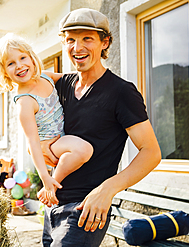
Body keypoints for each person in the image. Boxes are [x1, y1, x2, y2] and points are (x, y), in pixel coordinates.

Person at [38, 8, 162, 246]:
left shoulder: (121, 92)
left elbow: (151, 152)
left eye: (87, 39)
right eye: (71, 40)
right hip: (52, 206)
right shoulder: (62, 84)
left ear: (105, 42)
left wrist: (107, 189)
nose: (77, 47)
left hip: (86, 209)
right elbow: (29, 78)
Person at [0, 34, 94, 205]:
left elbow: (70, 78)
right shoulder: (25, 102)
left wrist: (92, 73)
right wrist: (44, 177)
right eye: (11, 63)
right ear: (5, 72)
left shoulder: (45, 77)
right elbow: (33, 143)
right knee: (84, 150)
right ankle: (51, 185)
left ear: (32, 58)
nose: (19, 66)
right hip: (51, 145)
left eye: (22, 58)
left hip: (63, 137)